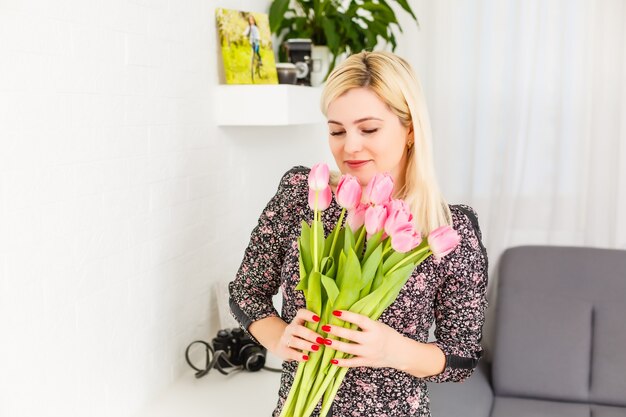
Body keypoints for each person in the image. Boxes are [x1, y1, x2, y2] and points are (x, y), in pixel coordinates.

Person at [228, 51, 488, 417]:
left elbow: (461, 357)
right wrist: (279, 337)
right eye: (336, 130)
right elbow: (246, 291)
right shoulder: (304, 195)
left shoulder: (448, 228)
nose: (348, 146)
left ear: (410, 128)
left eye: (368, 129)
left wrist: (392, 350)